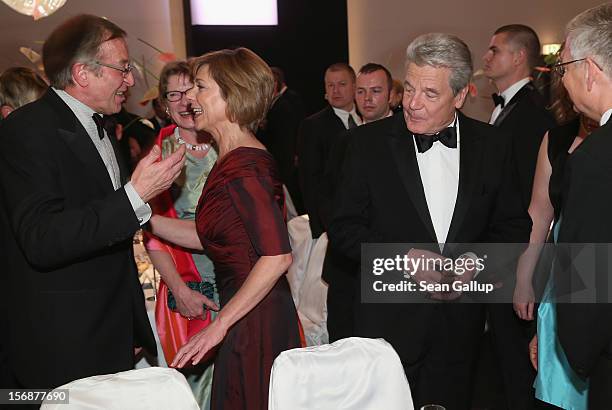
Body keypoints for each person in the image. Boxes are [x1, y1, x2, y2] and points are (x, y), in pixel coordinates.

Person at [328, 33, 530, 409]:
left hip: (460, 324)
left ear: (460, 96)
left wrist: (477, 263)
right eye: (409, 89)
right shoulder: (365, 145)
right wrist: (402, 258)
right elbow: (343, 229)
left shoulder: (494, 146)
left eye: (430, 94)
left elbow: (514, 225)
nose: (413, 104)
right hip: (386, 321)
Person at [0, 14, 185, 389]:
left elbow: (107, 237)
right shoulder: (25, 131)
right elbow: (43, 238)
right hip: (60, 344)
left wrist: (133, 323)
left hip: (109, 333)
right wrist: (136, 194)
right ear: (83, 73)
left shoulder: (100, 126)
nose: (131, 80)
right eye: (123, 68)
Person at [149, 47, 301, 410]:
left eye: (200, 88)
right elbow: (209, 238)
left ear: (231, 94)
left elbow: (277, 255)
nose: (190, 98)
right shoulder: (231, 157)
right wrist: (141, 216)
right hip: (244, 312)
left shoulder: (246, 165)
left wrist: (219, 326)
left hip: (255, 318)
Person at [482, 24, 557, 409]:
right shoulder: (506, 109)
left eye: (495, 50)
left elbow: (533, 201)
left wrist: (519, 271)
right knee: (504, 359)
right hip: (502, 251)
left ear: (518, 57)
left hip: (517, 254)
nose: (486, 57)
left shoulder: (532, 115)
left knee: (517, 361)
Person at [144, 60, 218, 409]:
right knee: (194, 388)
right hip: (187, 286)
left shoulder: (228, 143)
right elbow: (151, 233)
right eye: (174, 94)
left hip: (238, 281)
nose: (184, 100)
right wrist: (179, 289)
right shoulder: (159, 155)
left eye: (191, 90)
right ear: (164, 104)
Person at [553, 4, 612, 407]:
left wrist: (579, 352)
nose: (563, 81)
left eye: (564, 68)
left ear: (590, 69)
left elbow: (586, 275)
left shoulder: (596, 158)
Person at [322, 62, 394, 342]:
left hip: (390, 262)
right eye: (362, 91)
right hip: (346, 263)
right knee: (344, 340)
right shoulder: (345, 140)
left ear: (392, 95)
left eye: (375, 91)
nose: (367, 98)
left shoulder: (407, 138)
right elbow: (327, 195)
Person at [298, 62, 359, 239]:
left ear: (354, 86)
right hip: (333, 223)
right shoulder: (313, 126)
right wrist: (320, 229)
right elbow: (310, 181)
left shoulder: (366, 118)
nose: (335, 91)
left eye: (342, 84)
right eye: (330, 85)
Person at [256, 66, 305, 214]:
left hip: (281, 160)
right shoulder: (276, 105)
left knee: (288, 205)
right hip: (282, 159)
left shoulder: (281, 106)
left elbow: (281, 136)